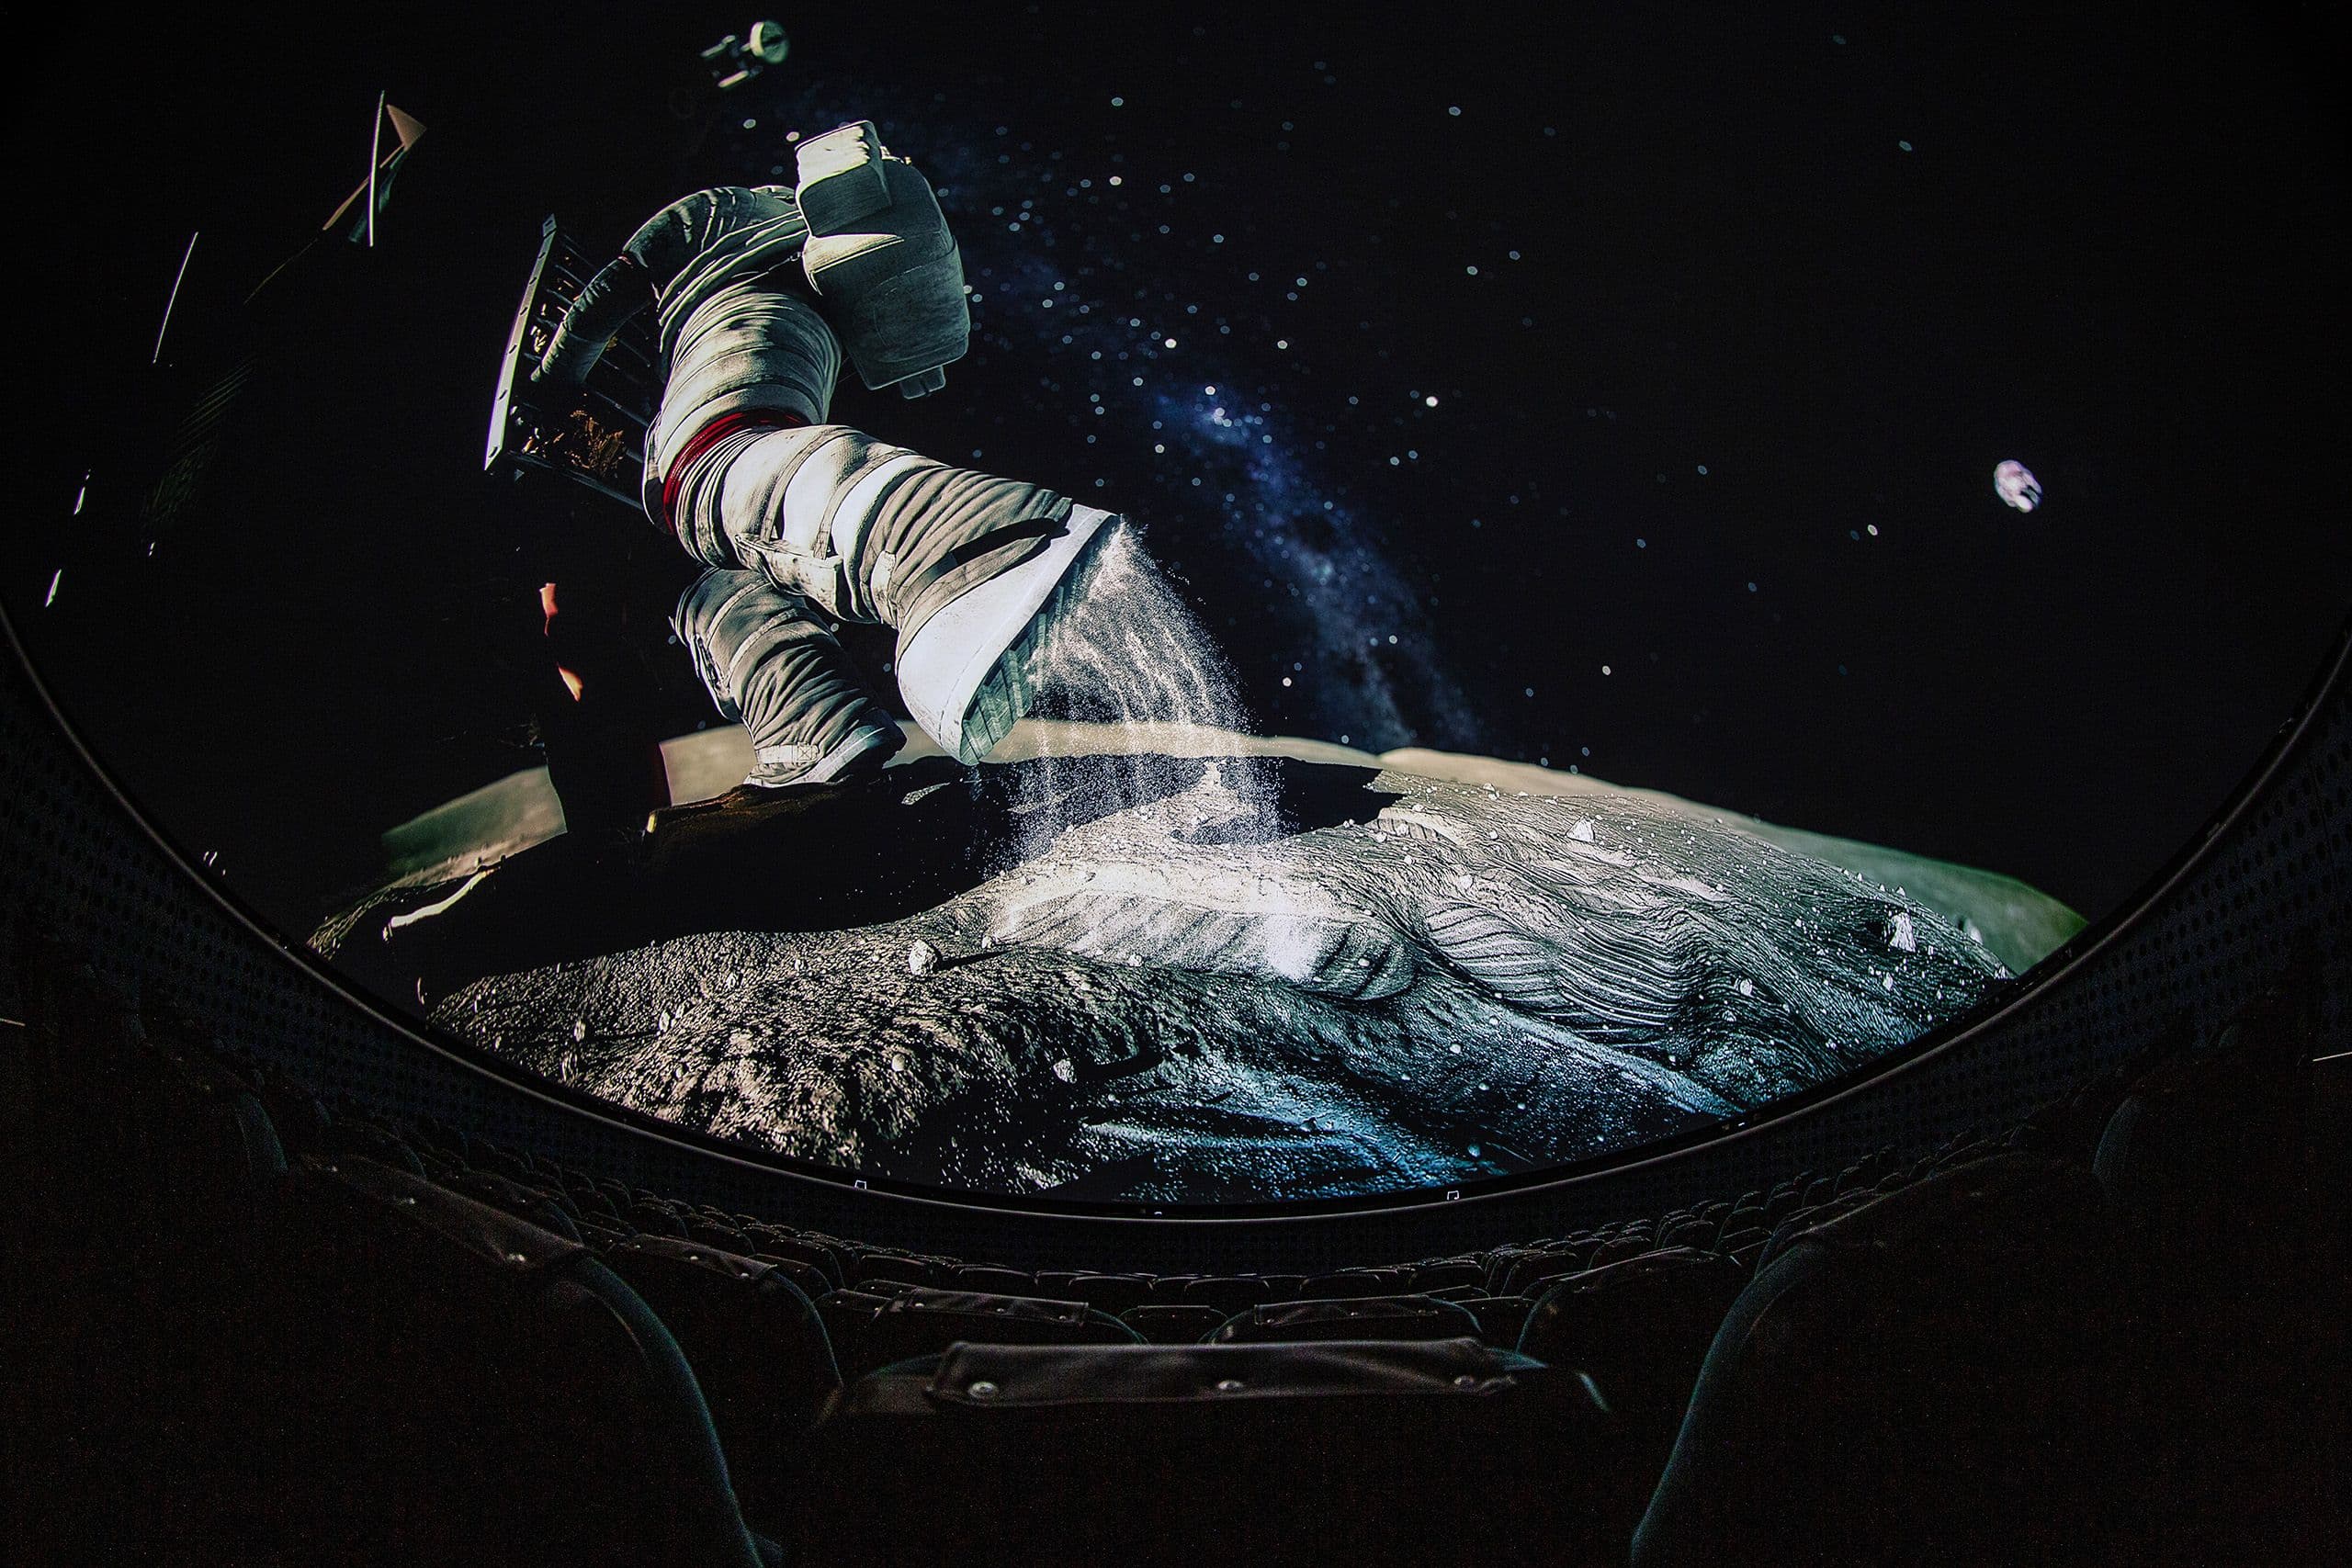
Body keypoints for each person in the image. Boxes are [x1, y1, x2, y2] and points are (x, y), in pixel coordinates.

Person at [532, 121, 1117, 789]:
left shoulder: (705, 214)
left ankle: (950, 543)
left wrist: (551, 383)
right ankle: (810, 723)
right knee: (713, 563)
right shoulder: (782, 212)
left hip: (732, 307)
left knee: (703, 471)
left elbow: (611, 293)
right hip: (802, 329)